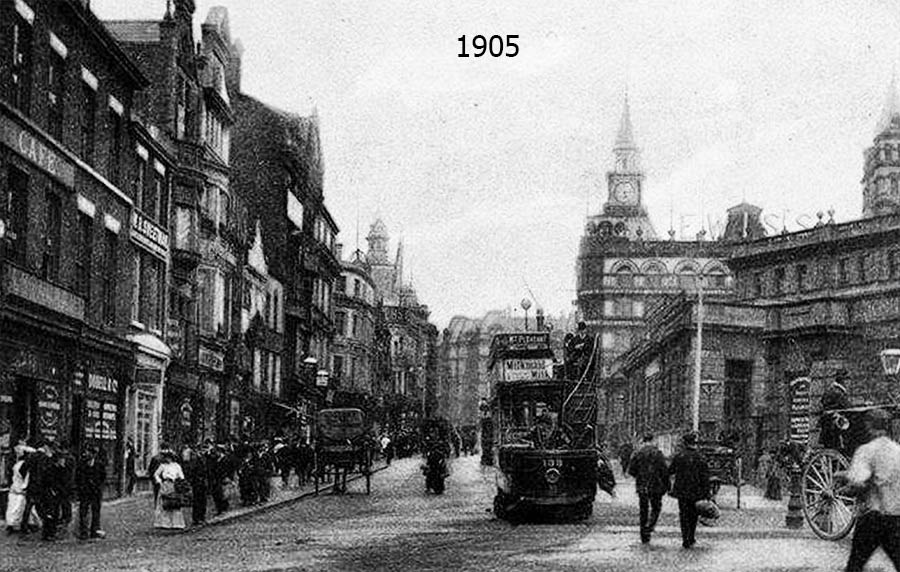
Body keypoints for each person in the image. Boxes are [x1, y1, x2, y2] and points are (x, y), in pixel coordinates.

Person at [839, 408, 900, 572]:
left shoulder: (866, 451)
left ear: (868, 426)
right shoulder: (898, 451)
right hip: (896, 519)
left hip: (872, 518)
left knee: (855, 566)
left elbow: (858, 483)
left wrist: (843, 488)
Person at [669, 432, 710, 549]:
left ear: (684, 443)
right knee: (694, 515)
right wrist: (707, 493)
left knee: (683, 514)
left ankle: (685, 538)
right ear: (694, 443)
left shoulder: (679, 456)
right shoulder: (700, 457)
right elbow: (705, 477)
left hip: (682, 491)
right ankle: (691, 537)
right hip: (696, 491)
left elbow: (671, 471)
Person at [628, 433, 670, 543]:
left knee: (643, 510)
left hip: (642, 486)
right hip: (656, 486)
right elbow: (664, 471)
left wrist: (640, 476)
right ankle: (650, 526)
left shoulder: (637, 453)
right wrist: (667, 485)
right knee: (656, 507)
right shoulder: (658, 453)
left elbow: (631, 470)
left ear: (643, 440)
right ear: (653, 440)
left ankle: (644, 535)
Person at [75, 443, 106, 540]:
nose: (86, 454)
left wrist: (97, 486)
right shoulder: (81, 464)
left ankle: (94, 530)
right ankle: (83, 532)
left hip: (96, 492)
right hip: (85, 492)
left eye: (88, 452)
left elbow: (102, 477)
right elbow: (78, 477)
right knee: (83, 512)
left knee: (95, 512)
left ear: (93, 454)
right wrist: (80, 488)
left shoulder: (99, 464)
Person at [153, 451, 186, 530]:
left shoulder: (177, 466)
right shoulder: (163, 466)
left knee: (175, 503)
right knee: (165, 503)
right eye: (166, 458)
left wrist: (179, 481)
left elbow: (181, 476)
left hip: (174, 485)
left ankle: (177, 523)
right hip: (165, 485)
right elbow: (156, 474)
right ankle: (164, 523)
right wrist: (160, 481)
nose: (168, 459)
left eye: (169, 457)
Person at [5, 444, 34, 534]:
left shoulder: (17, 464)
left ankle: (11, 523)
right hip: (20, 489)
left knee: (14, 507)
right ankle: (20, 524)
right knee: (18, 506)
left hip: (15, 488)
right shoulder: (24, 465)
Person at [183, 445, 206, 525]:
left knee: (200, 500)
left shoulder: (197, 459)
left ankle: (199, 517)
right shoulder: (194, 460)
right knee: (198, 500)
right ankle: (198, 518)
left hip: (200, 482)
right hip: (197, 482)